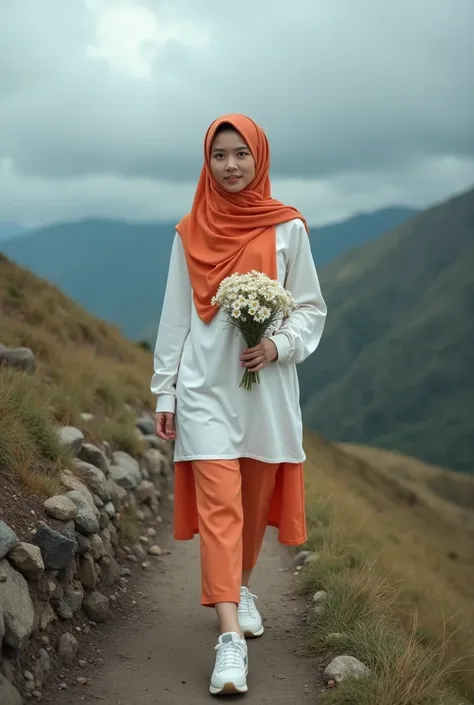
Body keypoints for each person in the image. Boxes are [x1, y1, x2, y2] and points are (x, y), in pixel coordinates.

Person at [150, 113, 327, 696]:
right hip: (203, 391)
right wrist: (165, 389)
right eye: (219, 155)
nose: (230, 165)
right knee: (220, 510)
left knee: (251, 511)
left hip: (266, 394)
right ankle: (229, 640)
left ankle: (241, 584)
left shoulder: (287, 229)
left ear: (259, 159)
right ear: (208, 161)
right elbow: (176, 317)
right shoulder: (188, 231)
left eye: (240, 154)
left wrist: (277, 345)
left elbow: (310, 309)